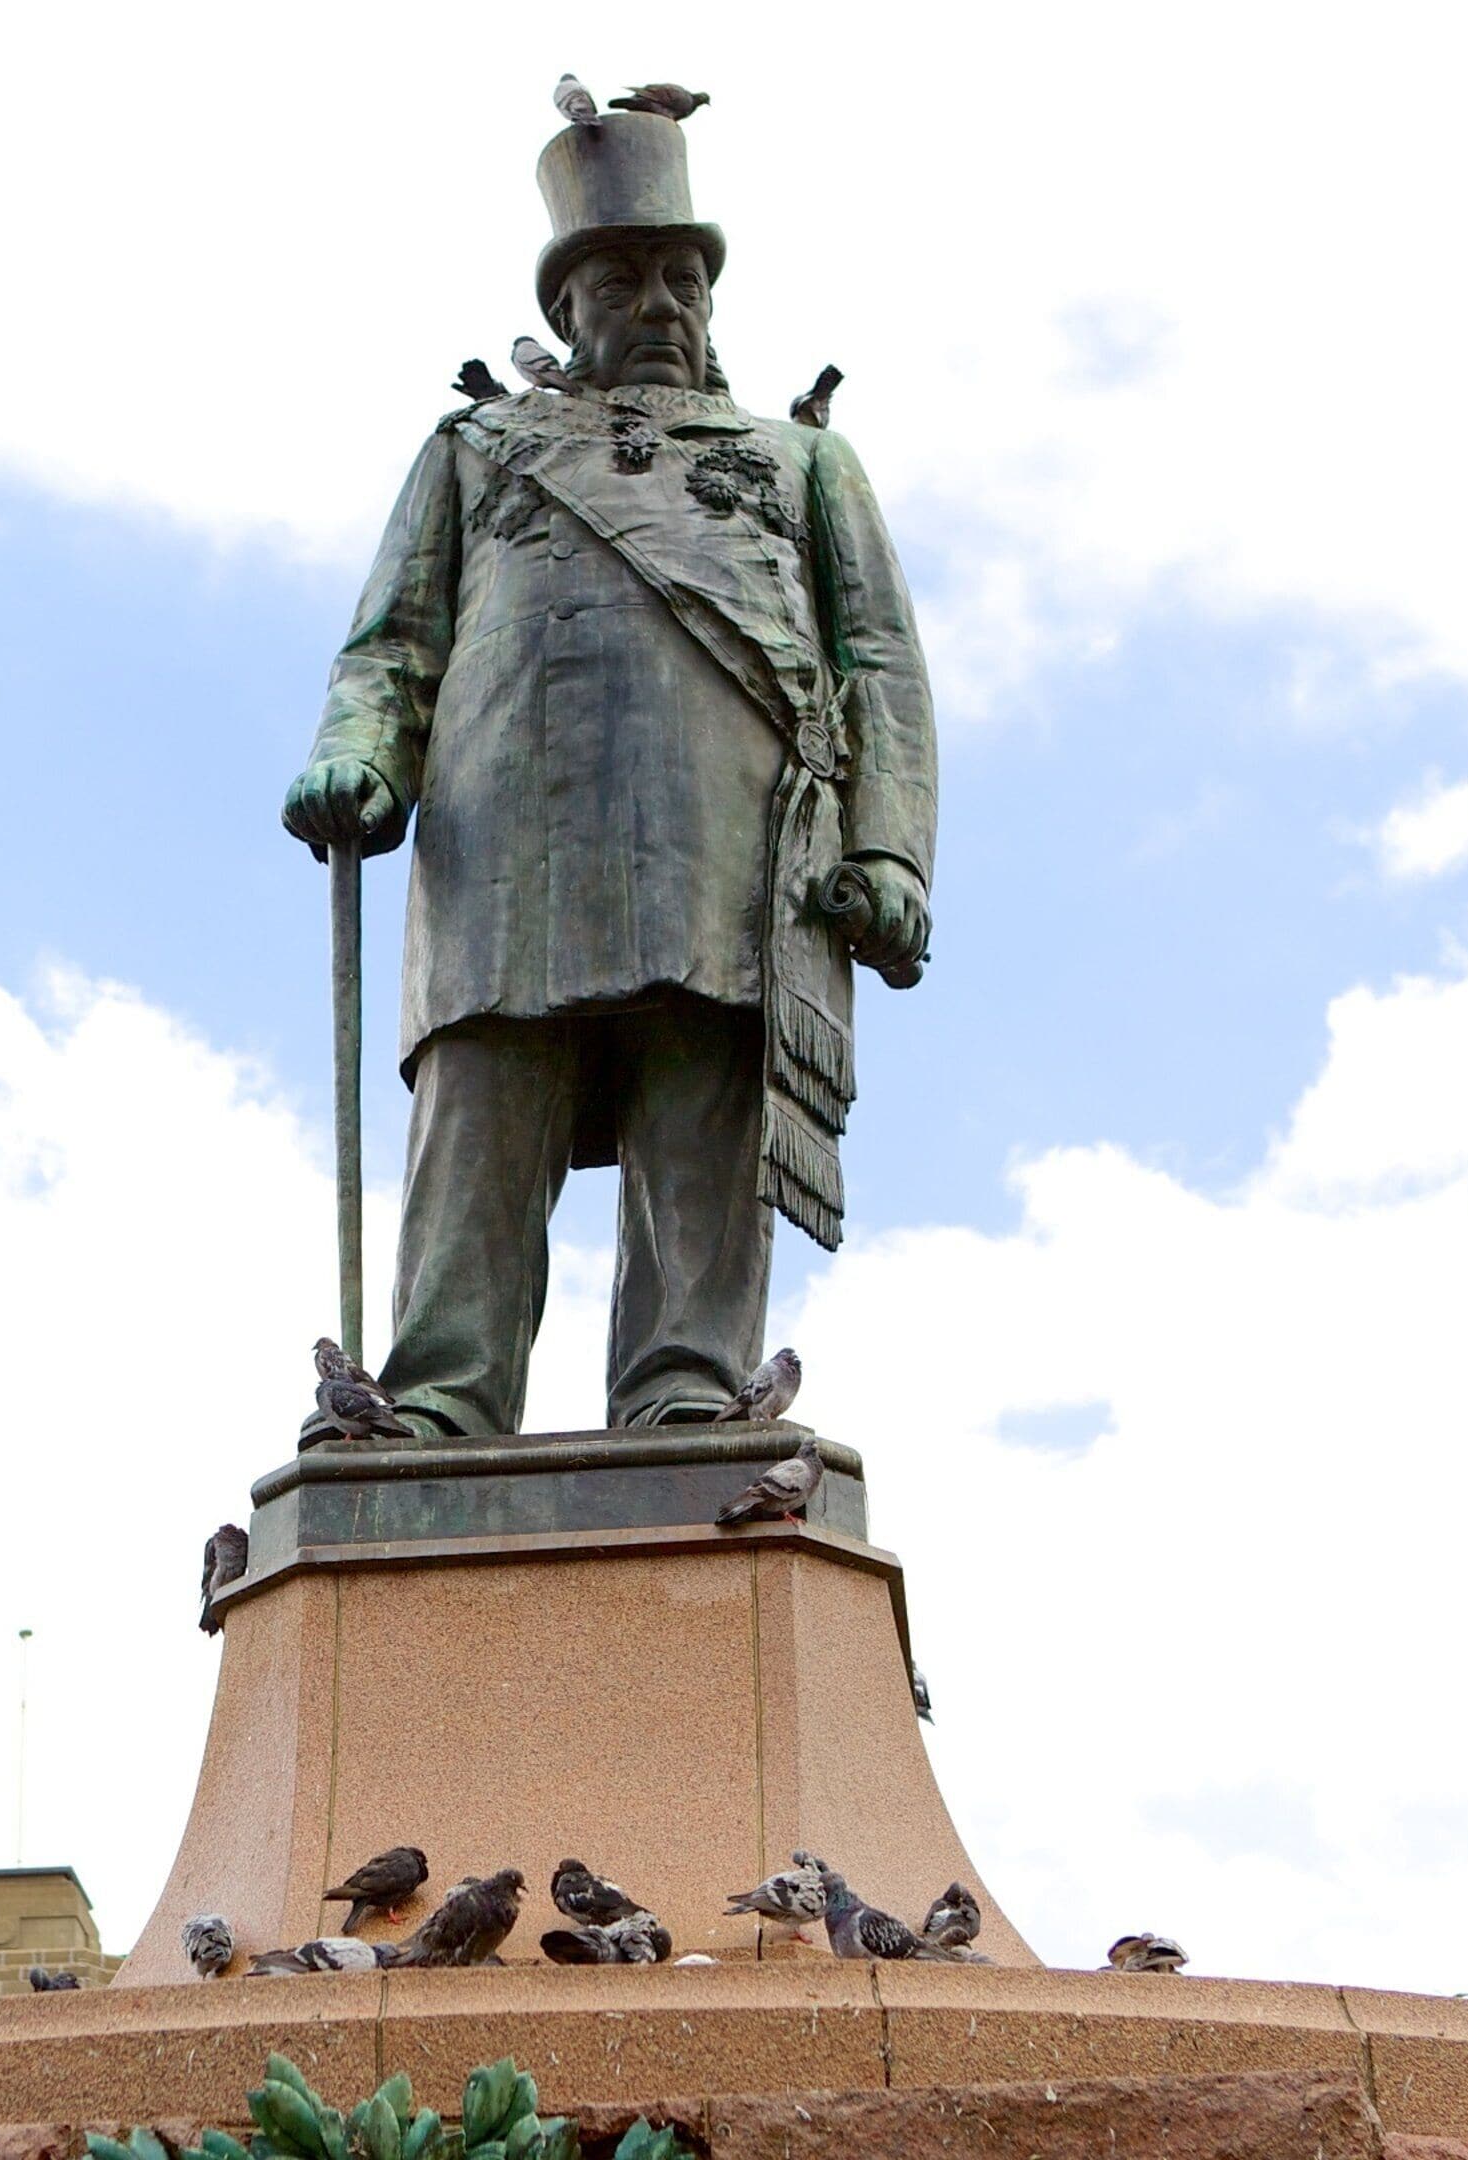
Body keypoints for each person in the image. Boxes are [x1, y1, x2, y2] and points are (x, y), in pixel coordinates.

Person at [281, 102, 936, 1438]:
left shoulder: (801, 462)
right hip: (506, 836)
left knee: (701, 1105)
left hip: (732, 850)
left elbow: (877, 662)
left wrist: (886, 848)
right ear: (568, 306)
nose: (660, 303)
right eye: (624, 279)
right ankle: (440, 1401)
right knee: (482, 1111)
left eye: (683, 278)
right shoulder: (474, 452)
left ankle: (685, 1384)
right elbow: (391, 643)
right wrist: (357, 749)